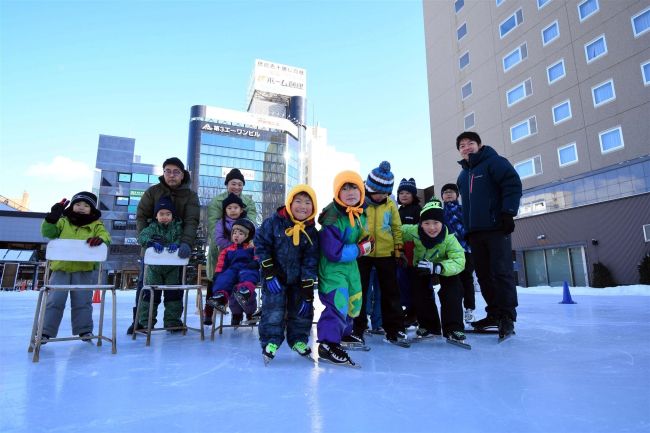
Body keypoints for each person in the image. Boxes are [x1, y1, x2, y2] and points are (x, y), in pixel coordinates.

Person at [456, 131, 522, 340]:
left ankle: (507, 317)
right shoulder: (462, 175)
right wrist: (466, 229)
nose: (466, 148)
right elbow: (466, 206)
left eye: (470, 143)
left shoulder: (494, 162)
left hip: (496, 228)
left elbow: (512, 184)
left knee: (501, 272)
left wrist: (508, 213)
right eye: (462, 146)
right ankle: (494, 314)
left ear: (480, 144)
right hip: (475, 232)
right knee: (483, 275)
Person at [127, 157, 200, 334]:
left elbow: (192, 221)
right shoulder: (153, 192)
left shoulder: (190, 196)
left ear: (183, 175)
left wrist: (185, 243)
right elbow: (141, 217)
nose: (172, 175)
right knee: (146, 287)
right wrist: (148, 240)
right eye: (168, 171)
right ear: (163, 173)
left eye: (176, 172)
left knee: (175, 288)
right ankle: (142, 321)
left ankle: (172, 321)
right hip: (152, 251)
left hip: (177, 251)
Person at [254, 185, 319, 363]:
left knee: (301, 311)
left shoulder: (312, 231)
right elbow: (261, 244)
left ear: (313, 208)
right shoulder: (273, 222)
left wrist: (307, 286)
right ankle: (271, 341)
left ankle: (298, 340)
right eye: (298, 201)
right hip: (275, 276)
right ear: (290, 203)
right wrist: (268, 270)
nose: (302, 206)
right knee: (273, 310)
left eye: (308, 202)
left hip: (298, 279)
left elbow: (311, 259)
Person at [350, 161, 409, 348]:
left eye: (385, 193)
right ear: (369, 188)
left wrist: (398, 250)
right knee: (361, 292)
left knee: (391, 293)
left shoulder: (390, 204)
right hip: (363, 254)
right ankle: (357, 329)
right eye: (378, 192)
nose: (381, 196)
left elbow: (396, 227)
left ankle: (394, 329)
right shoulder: (360, 203)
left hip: (386, 253)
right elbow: (352, 226)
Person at [316, 171, 372, 366]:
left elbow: (362, 236)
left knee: (353, 301)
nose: (350, 192)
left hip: (351, 267)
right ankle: (327, 344)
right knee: (338, 302)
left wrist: (366, 241)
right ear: (337, 193)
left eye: (354, 187)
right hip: (333, 268)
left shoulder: (360, 213)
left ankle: (344, 333)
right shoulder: (332, 218)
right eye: (344, 188)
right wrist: (360, 249)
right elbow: (334, 252)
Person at [39, 192, 111, 343]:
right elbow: (48, 233)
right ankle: (45, 331)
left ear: (92, 210)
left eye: (86, 206)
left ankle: (84, 330)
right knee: (54, 300)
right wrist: (51, 219)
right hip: (61, 268)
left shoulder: (96, 225)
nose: (81, 208)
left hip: (84, 269)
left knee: (83, 301)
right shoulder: (63, 222)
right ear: (72, 206)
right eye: (78, 205)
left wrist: (100, 239)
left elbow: (106, 238)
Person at [401, 199, 467, 344]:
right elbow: (395, 231)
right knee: (419, 290)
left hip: (443, 267)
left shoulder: (449, 238)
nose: (432, 228)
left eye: (436, 223)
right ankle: (429, 326)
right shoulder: (413, 231)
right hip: (421, 267)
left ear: (442, 223)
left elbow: (459, 260)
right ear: (420, 224)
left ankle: (453, 328)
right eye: (427, 223)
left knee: (453, 289)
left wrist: (439, 267)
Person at [205, 168, 256, 323]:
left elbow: (251, 223)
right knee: (218, 278)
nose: (237, 187)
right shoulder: (217, 201)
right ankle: (209, 313)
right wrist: (230, 245)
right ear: (227, 184)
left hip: (244, 247)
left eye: (240, 184)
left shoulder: (248, 201)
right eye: (233, 183)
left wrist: (244, 241)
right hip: (221, 248)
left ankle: (245, 313)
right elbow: (214, 227)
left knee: (243, 277)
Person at [136, 196, 184, 329]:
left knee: (173, 295)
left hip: (172, 268)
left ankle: (172, 322)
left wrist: (177, 244)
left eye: (168, 214)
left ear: (172, 216)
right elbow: (142, 237)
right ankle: (146, 322)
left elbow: (181, 238)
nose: (165, 217)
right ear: (156, 216)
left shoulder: (177, 228)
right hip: (154, 269)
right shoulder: (152, 227)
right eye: (161, 214)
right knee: (151, 295)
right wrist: (151, 242)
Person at [207, 218, 259, 327]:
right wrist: (218, 273)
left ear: (247, 236)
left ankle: (250, 311)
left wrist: (256, 262)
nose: (236, 235)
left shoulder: (252, 248)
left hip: (247, 269)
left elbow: (259, 256)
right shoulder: (227, 250)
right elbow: (221, 264)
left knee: (248, 274)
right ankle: (224, 299)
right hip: (233, 271)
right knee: (225, 278)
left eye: (240, 233)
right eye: (234, 232)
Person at [441, 182, 477, 324]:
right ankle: (453, 312)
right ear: (442, 196)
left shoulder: (464, 209)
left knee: (467, 279)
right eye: (445, 192)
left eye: (452, 191)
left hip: (465, 249)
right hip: (447, 252)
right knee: (451, 282)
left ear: (457, 195)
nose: (449, 193)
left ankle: (469, 310)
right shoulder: (440, 213)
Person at [396, 177, 422, 328]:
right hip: (401, 254)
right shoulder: (398, 211)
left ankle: (416, 313)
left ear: (413, 195)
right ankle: (409, 310)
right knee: (402, 282)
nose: (404, 195)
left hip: (415, 254)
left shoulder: (418, 210)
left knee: (416, 284)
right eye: (401, 193)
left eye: (407, 193)